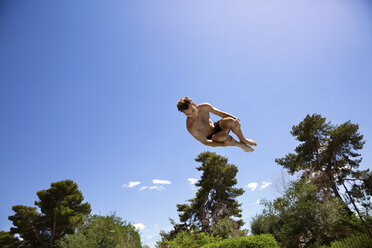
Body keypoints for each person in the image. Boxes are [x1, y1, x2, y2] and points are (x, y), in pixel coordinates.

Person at [177, 97, 257, 152]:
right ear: (185, 114)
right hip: (214, 137)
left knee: (231, 121)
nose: (193, 115)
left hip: (216, 126)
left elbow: (221, 114)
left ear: (194, 105)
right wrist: (223, 145)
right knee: (222, 136)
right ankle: (240, 145)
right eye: (188, 115)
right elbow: (205, 142)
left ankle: (243, 139)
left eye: (193, 111)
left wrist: (237, 120)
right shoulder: (191, 127)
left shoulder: (205, 107)